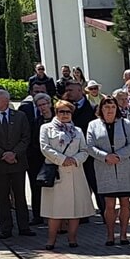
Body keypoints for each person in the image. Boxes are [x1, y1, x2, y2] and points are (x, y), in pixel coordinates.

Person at [39, 102, 94, 248]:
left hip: (75, 172)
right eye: (61, 111)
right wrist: (62, 160)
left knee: (74, 210)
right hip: (56, 171)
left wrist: (75, 160)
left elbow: (84, 149)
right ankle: (51, 240)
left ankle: (72, 238)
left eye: (68, 112)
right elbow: (45, 147)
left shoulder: (77, 131)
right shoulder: (46, 128)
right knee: (55, 210)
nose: (65, 115)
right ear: (56, 112)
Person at [0, 88, 34, 237]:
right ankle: (6, 227)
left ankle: (24, 226)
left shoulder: (20, 116)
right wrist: (3, 154)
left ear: (6, 100)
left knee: (20, 196)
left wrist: (14, 153)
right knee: (2, 197)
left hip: (17, 162)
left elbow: (26, 137)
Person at [87, 98, 130, 245]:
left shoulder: (125, 123)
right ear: (101, 109)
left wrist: (119, 156)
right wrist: (105, 157)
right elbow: (90, 146)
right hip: (104, 168)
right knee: (109, 204)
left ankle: (123, 235)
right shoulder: (93, 125)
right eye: (106, 107)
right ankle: (110, 235)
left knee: (125, 203)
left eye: (113, 107)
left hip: (123, 167)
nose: (110, 110)